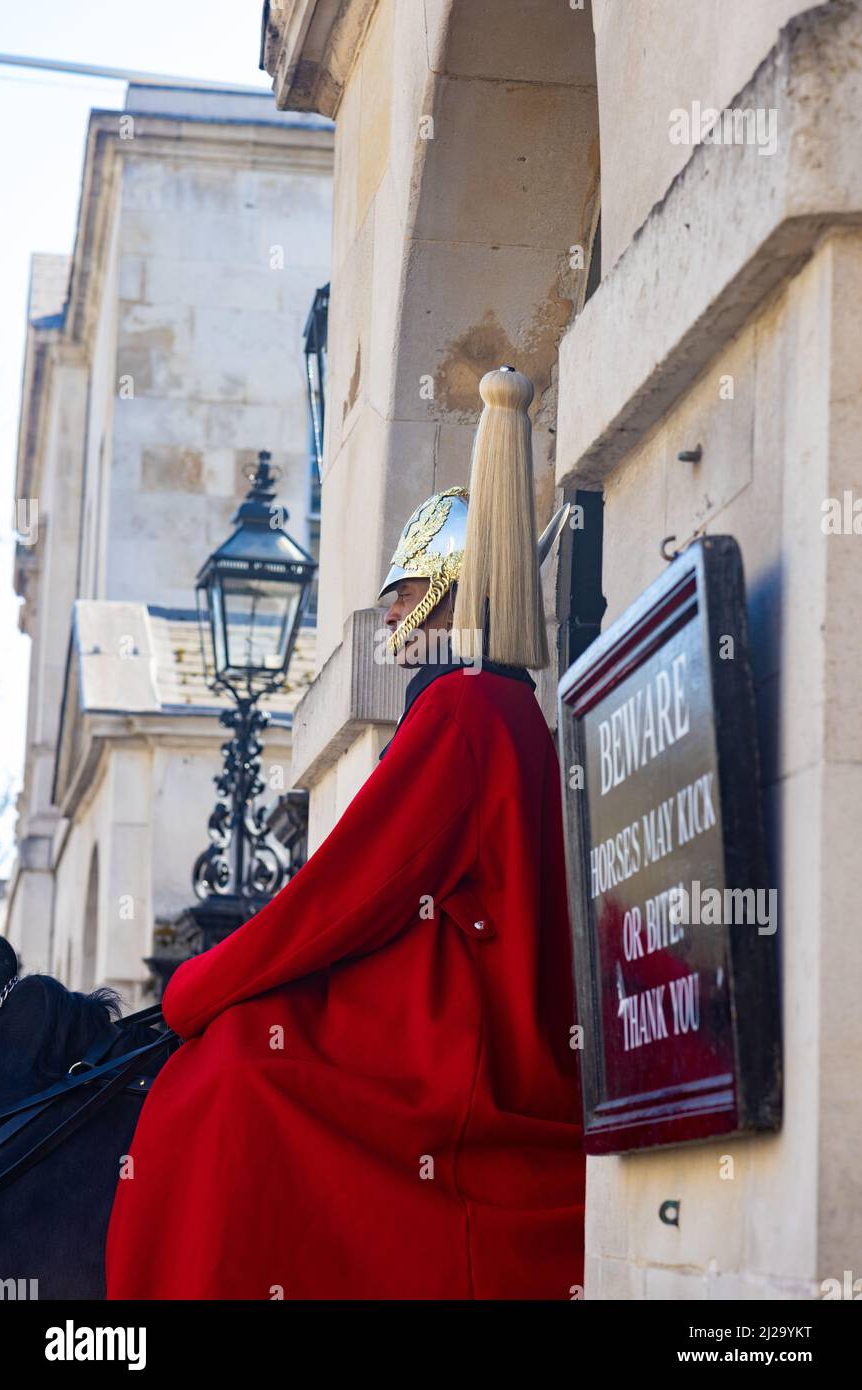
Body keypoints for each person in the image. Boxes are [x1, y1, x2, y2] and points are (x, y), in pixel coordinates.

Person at [105, 366, 586, 1301]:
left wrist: (200, 988)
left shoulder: (463, 707)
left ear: (453, 592)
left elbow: (346, 895)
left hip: (459, 1045)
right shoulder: (500, 708)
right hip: (473, 1020)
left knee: (235, 1068)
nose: (396, 612)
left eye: (410, 593)